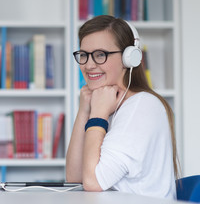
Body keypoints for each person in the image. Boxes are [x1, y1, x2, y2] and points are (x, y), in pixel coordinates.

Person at [66, 15, 179, 199]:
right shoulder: (107, 104)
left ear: (129, 58)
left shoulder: (142, 105)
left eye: (100, 54)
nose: (89, 65)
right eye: (84, 55)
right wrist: (84, 111)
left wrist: (98, 114)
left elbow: (93, 182)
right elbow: (75, 178)